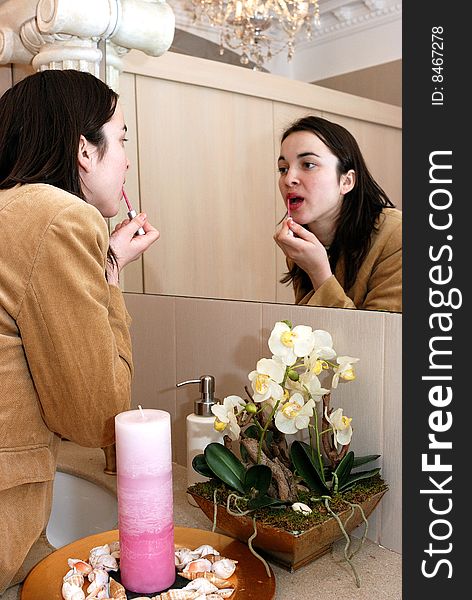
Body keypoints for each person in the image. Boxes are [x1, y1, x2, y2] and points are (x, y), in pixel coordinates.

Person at [0, 69, 159, 592]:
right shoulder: (61, 215)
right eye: (121, 140)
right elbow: (96, 414)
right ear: (83, 152)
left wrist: (105, 257)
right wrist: (109, 277)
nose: (128, 159)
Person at [273, 115, 402, 312]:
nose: (289, 179)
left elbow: (378, 338)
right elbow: (311, 332)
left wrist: (319, 272)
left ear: (346, 181)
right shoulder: (301, 245)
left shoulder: (397, 235)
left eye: (308, 165)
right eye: (283, 169)